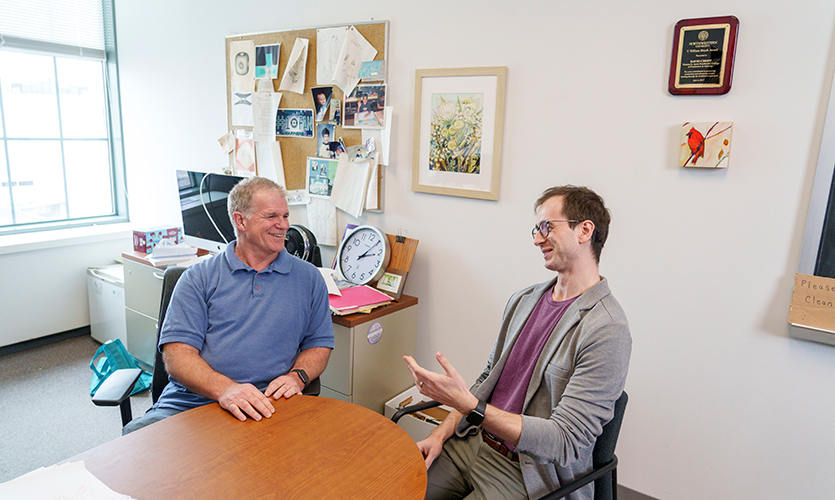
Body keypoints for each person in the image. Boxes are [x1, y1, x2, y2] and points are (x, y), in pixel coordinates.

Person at [404, 185, 632, 500]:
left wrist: (468, 404)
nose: (538, 239)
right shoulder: (524, 300)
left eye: (546, 227)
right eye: (535, 230)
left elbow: (563, 441)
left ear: (584, 230)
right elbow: (487, 382)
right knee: (395, 487)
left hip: (526, 472)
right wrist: (440, 434)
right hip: (474, 441)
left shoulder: (607, 329)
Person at [123, 177, 334, 434]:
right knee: (135, 452)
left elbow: (318, 344)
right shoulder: (198, 278)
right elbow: (177, 356)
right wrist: (225, 389)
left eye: (285, 215)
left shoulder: (309, 278)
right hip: (191, 404)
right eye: (271, 216)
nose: (283, 225)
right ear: (240, 221)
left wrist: (297, 376)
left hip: (268, 405)